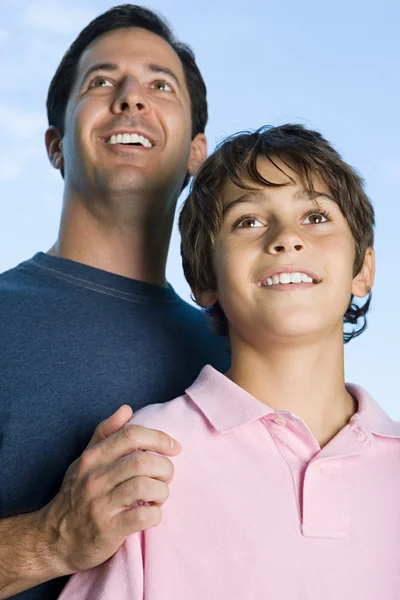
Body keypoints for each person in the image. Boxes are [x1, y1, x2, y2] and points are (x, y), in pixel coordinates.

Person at [60, 123, 400, 599]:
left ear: (362, 270)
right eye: (248, 221)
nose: (287, 239)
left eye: (317, 217)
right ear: (205, 280)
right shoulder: (146, 457)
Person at [0, 5, 230, 600]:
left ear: (196, 152)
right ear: (55, 144)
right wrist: (49, 539)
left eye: (161, 84)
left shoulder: (238, 353)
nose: (131, 98)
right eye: (101, 82)